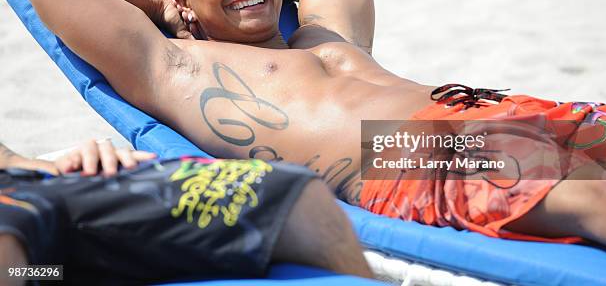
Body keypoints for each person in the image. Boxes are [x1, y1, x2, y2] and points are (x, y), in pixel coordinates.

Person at [21, 0, 606, 248]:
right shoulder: (177, 65)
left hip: (492, 110)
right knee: (598, 200)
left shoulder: (324, 32)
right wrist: (157, 4)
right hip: (408, 155)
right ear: (184, 1)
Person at [0, 139, 372, 285]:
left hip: (32, 182)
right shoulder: (179, 60)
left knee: (293, 193)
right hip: (18, 228)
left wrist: (32, 164)